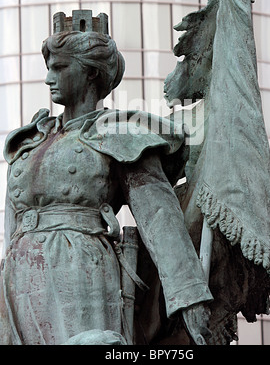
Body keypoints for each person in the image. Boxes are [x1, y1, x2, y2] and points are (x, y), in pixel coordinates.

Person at [0, 25, 213, 345]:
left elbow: (158, 217)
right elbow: (10, 224)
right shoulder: (30, 141)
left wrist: (188, 296)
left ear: (90, 73)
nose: (48, 79)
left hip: (79, 270)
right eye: (49, 69)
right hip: (18, 277)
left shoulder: (121, 133)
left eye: (59, 68)